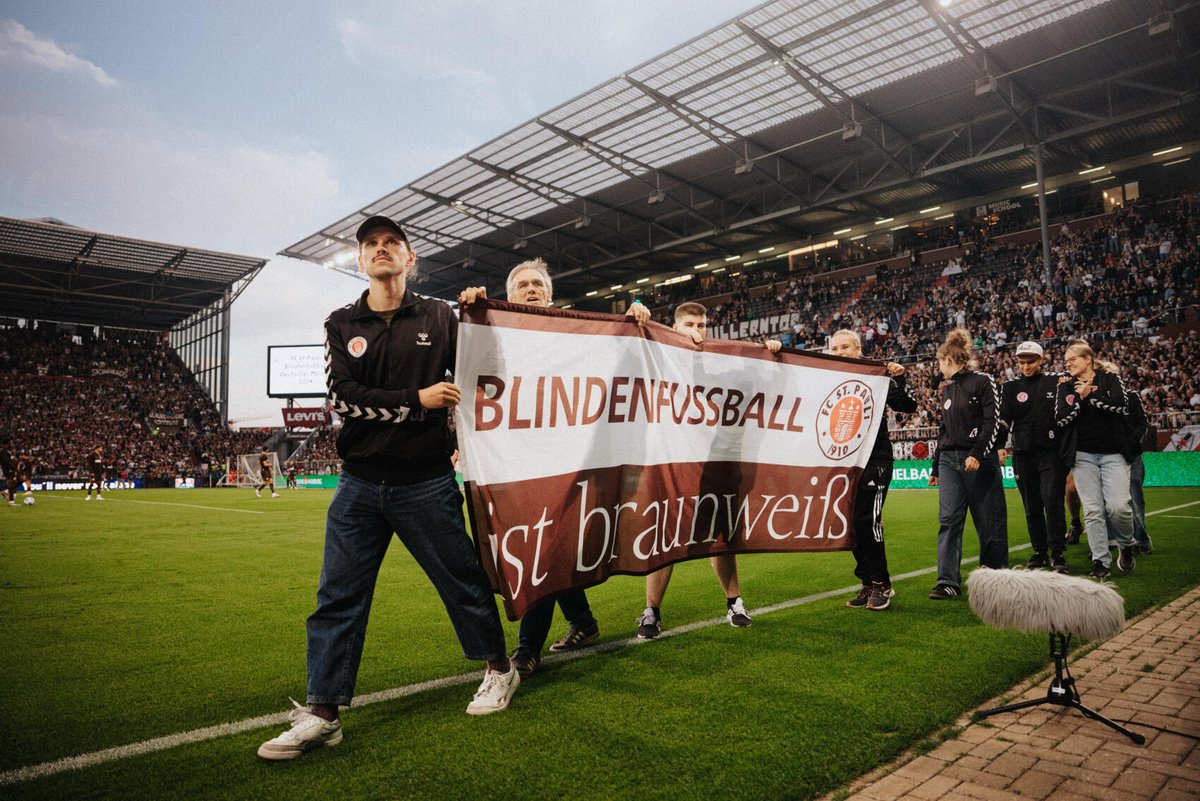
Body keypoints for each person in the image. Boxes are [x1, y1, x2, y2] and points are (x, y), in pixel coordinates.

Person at [258, 215, 518, 762]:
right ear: (359, 260)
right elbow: (344, 397)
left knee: (463, 582)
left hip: (424, 482)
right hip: (358, 486)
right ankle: (324, 711)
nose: (381, 250)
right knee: (337, 597)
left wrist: (481, 315)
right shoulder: (340, 321)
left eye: (391, 243)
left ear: (410, 258)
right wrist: (414, 401)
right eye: (371, 245)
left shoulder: (441, 316)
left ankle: (500, 668)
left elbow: (487, 370)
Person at [458, 258, 650, 676]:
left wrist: (636, 320)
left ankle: (528, 649)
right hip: (517, 464)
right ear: (508, 297)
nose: (530, 290)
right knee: (552, 548)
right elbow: (470, 378)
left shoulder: (577, 334)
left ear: (549, 293)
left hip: (570, 463)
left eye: (537, 284)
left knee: (542, 549)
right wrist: (475, 309)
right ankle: (583, 621)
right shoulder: (494, 333)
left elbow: (623, 363)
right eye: (522, 285)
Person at [636, 301, 781, 638]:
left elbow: (764, 388)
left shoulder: (723, 363)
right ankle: (651, 611)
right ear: (674, 328)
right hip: (671, 462)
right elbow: (627, 349)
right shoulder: (658, 356)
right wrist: (637, 313)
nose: (697, 331)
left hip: (717, 463)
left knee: (723, 537)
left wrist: (771, 356)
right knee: (664, 538)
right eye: (689, 324)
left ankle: (735, 602)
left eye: (702, 325)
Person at [829, 329, 918, 612]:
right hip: (845, 461)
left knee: (868, 520)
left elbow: (908, 406)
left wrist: (900, 377)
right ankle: (867, 581)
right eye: (835, 349)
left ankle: (882, 584)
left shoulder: (877, 374)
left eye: (845, 347)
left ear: (858, 349)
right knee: (851, 524)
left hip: (875, 458)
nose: (840, 353)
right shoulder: (827, 378)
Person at [928, 328, 1008, 600]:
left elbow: (992, 422)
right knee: (948, 519)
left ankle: (994, 578)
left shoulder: (984, 381)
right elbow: (944, 429)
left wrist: (978, 452)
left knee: (989, 521)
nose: (938, 367)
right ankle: (947, 581)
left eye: (939, 362)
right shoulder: (949, 390)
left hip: (979, 460)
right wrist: (936, 465)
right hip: (950, 461)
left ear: (949, 360)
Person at [1054, 340, 1137, 578]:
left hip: (1114, 454)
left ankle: (1126, 544)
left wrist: (1089, 397)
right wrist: (1080, 399)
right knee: (1092, 510)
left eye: (1073, 359)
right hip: (1082, 456)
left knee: (1119, 507)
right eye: (1066, 361)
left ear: (1088, 359)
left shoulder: (1110, 380)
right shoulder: (1066, 388)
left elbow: (1122, 407)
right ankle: (1101, 562)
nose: (1067, 363)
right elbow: (1060, 420)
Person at [997, 341, 1068, 573]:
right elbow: (1004, 419)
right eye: (1022, 362)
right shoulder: (1009, 388)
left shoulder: (1057, 381)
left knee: (1052, 500)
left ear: (1041, 360)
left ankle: (1058, 553)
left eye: (1031, 362)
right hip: (1022, 454)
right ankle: (1039, 552)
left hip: (1051, 452)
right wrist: (1000, 445)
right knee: (1031, 505)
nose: (1026, 366)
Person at [1, 436, 17, 507]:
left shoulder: (7, 451)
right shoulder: (3, 451)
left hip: (8, 469)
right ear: (7, 444)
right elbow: (5, 461)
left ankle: (9, 497)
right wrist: (14, 466)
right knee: (11, 484)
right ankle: (11, 501)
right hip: (7, 469)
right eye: (11, 443)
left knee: (13, 483)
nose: (12, 444)